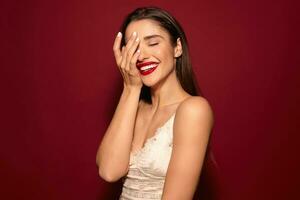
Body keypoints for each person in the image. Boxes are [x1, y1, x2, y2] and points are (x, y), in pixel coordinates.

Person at [96, 6, 215, 200]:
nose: (141, 56)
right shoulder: (134, 107)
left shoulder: (193, 110)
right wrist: (130, 88)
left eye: (152, 43)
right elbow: (109, 171)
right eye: (134, 48)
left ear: (177, 47)